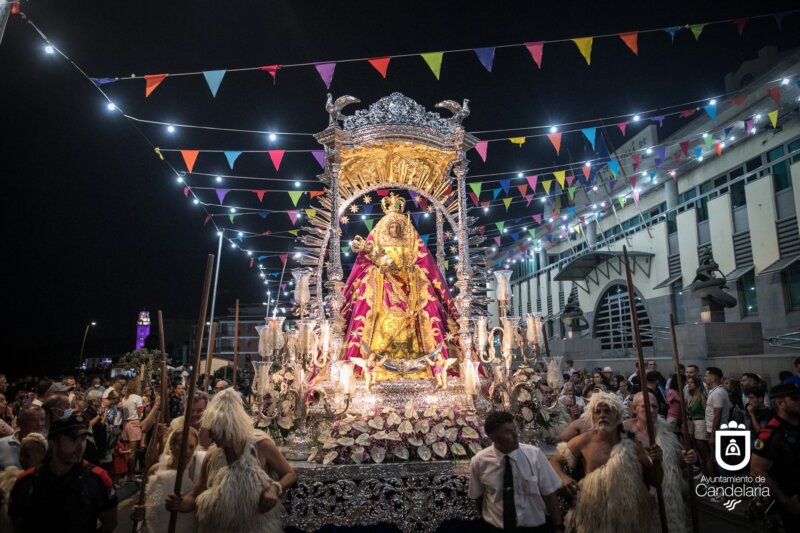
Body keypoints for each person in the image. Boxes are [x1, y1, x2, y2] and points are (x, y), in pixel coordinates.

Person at [343, 193, 459, 376]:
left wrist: (410, 274)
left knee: (428, 304)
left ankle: (424, 364)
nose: (394, 229)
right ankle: (372, 367)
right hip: (382, 288)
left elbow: (423, 263)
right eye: (391, 226)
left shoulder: (410, 242)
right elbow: (365, 263)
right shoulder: (376, 244)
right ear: (385, 228)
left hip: (409, 289)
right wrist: (381, 268)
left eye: (397, 226)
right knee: (367, 305)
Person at [165, 388, 297, 533]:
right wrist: (180, 504)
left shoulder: (261, 445)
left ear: (229, 428)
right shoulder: (213, 454)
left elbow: (290, 474)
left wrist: (274, 488)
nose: (211, 435)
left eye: (215, 431)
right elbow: (196, 493)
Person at [549, 391, 661, 533]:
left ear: (617, 416)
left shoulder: (632, 444)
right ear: (592, 416)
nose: (602, 415)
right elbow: (553, 462)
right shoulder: (584, 440)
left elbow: (655, 481)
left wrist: (657, 462)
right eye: (598, 412)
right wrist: (563, 478)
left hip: (626, 516)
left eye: (607, 411)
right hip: (593, 513)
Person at [8, 413, 118, 532]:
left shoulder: (97, 478)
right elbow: (18, 524)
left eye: (83, 439)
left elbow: (110, 523)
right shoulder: (27, 481)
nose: (80, 446)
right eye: (73, 440)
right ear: (53, 443)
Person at [469, 411, 563, 532]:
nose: (515, 435)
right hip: (497, 527)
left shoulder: (534, 455)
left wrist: (558, 527)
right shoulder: (479, 461)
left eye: (514, 430)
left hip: (533, 528)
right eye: (507, 432)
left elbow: (549, 494)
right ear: (492, 436)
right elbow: (479, 497)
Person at [624, 391, 696, 533]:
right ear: (634, 408)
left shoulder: (665, 430)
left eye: (654, 406)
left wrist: (687, 458)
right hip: (635, 497)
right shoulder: (623, 430)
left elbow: (676, 464)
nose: (651, 410)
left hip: (665, 497)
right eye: (645, 406)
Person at [131, 420, 203, 533]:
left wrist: (183, 504)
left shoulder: (198, 471)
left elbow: (197, 500)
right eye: (182, 445)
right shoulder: (155, 470)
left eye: (191, 447)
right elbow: (147, 502)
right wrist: (140, 512)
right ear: (172, 445)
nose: (187, 451)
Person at [751, 382, 800, 528]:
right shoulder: (771, 433)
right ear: (781, 403)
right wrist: (785, 501)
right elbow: (756, 471)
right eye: (795, 399)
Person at [0, 406, 45, 470]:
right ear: (19, 422)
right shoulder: (1, 445)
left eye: (42, 419)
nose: (40, 424)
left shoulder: (48, 444)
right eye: (33, 420)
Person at [686, 375, 712, 477]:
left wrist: (709, 430)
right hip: (693, 425)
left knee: (705, 454)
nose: (689, 384)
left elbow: (707, 413)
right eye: (688, 382)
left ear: (696, 384)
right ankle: (705, 475)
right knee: (700, 453)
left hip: (701, 423)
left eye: (691, 382)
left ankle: (711, 478)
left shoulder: (701, 396)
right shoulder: (692, 397)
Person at [119, 377, 144, 479]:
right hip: (134, 423)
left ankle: (125, 472)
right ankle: (131, 474)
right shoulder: (137, 398)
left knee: (127, 450)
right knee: (132, 451)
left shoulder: (125, 397)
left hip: (125, 424)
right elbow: (140, 413)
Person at [704, 367, 731, 459]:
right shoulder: (715, 391)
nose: (705, 378)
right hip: (714, 431)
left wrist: (713, 435)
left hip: (718, 432)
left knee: (722, 459)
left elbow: (717, 415)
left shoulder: (718, 393)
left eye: (706, 376)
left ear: (713, 378)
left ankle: (725, 474)